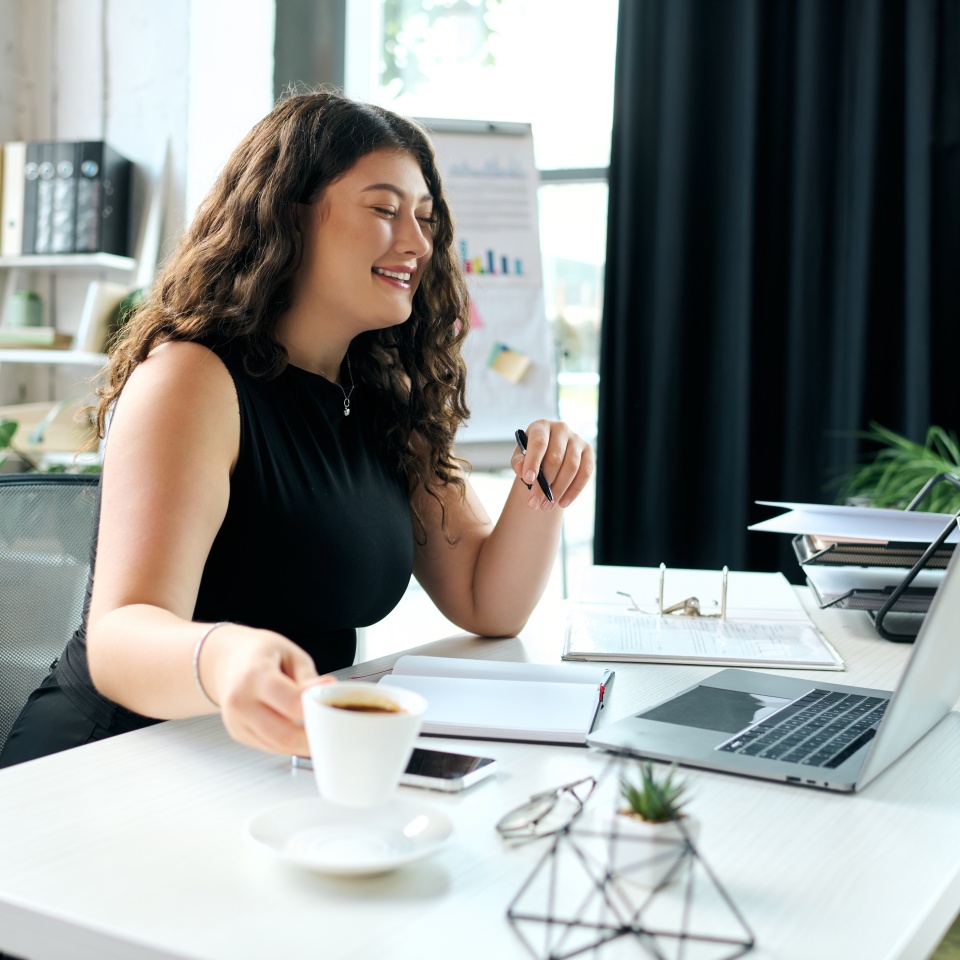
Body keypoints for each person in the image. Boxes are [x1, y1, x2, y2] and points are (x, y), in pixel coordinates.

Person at [0, 90, 594, 769]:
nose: (418, 243)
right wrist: (226, 656)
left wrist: (546, 477)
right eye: (385, 209)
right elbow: (118, 641)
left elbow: (488, 601)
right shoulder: (190, 380)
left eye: (426, 219)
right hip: (114, 759)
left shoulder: (386, 399)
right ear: (290, 215)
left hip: (262, 758)